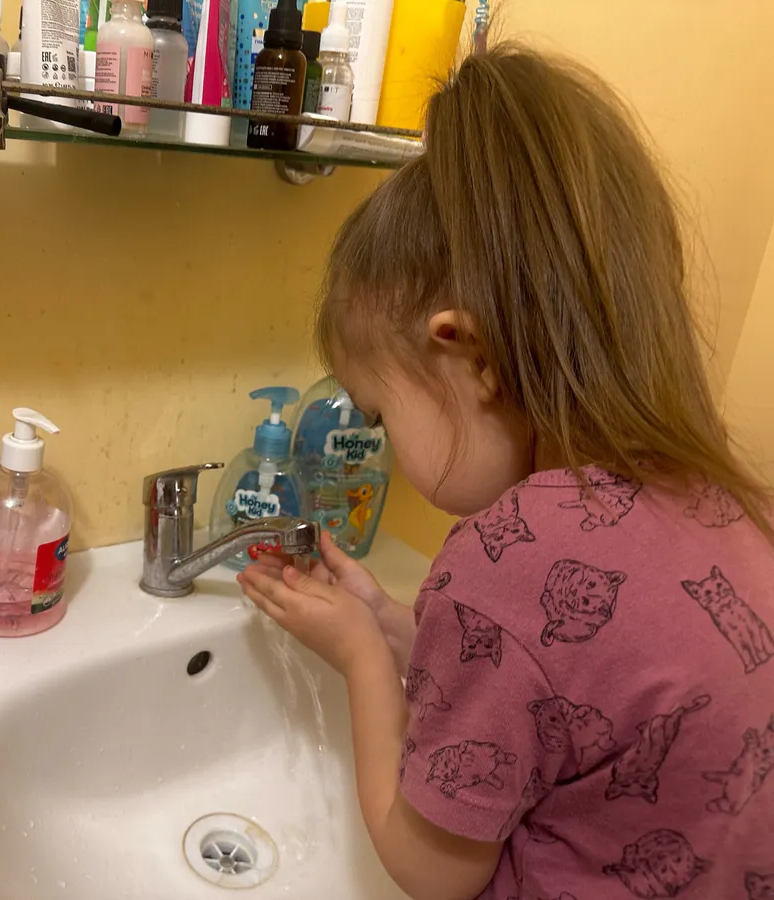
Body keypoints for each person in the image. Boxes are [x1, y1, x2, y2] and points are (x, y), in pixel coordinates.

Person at [238, 43, 774, 900]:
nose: (380, 443)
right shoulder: (713, 500)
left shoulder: (505, 560)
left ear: (472, 354)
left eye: (378, 415)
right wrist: (388, 621)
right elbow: (556, 696)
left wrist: (363, 662)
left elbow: (436, 869)